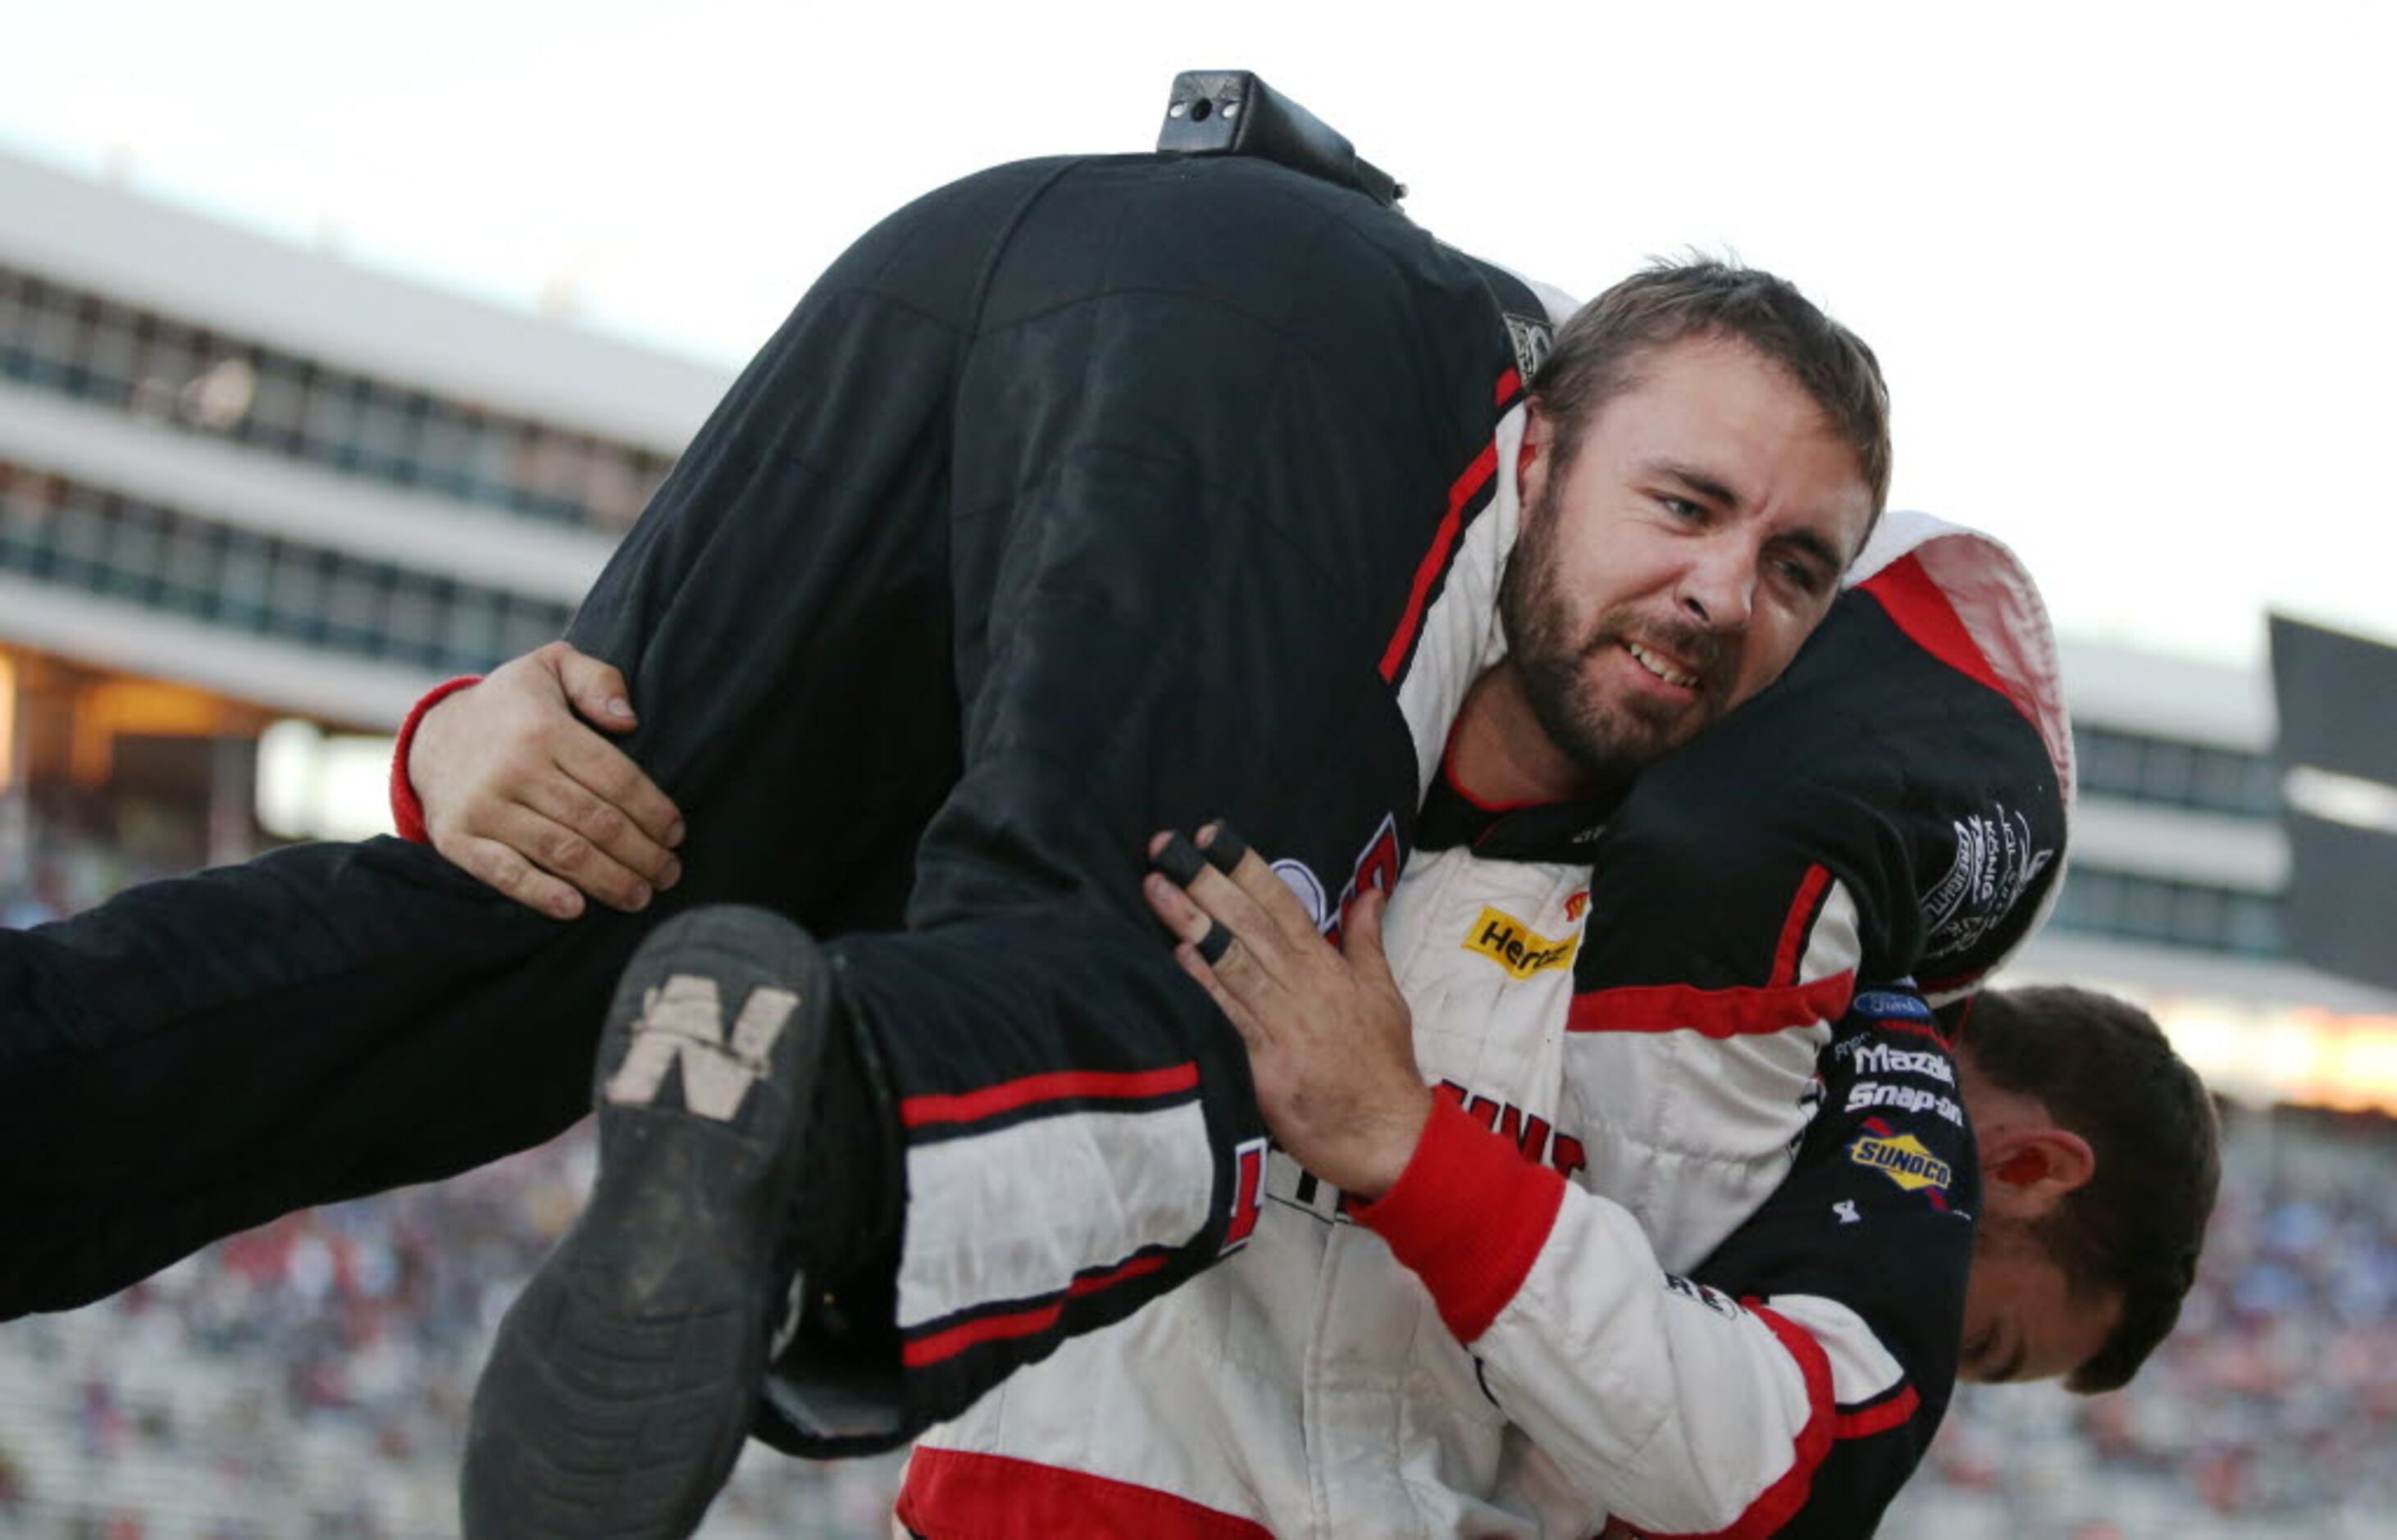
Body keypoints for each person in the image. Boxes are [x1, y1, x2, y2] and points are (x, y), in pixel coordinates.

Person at [0, 152, 1884, 1534]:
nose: (1724, 591)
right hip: (1261, 333)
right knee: (1196, 995)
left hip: (962, 253)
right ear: (1537, 451)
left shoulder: (1669, 812)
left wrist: (444, 753)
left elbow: (786, 794)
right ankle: (818, 1153)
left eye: (1796, 567)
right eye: (1685, 505)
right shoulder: (1429, 496)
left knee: (545, 903)